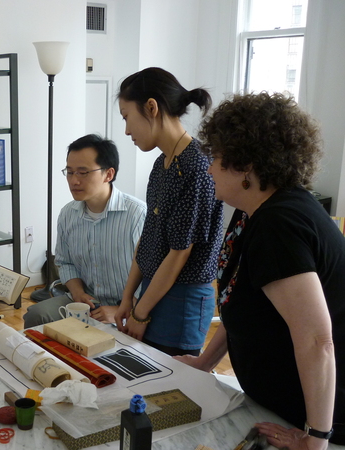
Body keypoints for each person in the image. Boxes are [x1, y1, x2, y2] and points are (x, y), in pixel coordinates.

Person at [176, 92, 345, 448]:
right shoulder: (252, 211)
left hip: (317, 419)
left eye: (216, 158)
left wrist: (315, 439)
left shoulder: (278, 225)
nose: (209, 169)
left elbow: (317, 340)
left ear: (245, 165)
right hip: (280, 407)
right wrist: (205, 362)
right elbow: (239, 299)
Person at [115, 67, 224, 356]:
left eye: (126, 117)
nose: (126, 130)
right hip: (153, 290)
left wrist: (141, 311)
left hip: (182, 300)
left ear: (151, 107)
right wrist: (128, 297)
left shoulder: (196, 166)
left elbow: (180, 253)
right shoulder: (162, 164)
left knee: (170, 381)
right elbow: (149, 236)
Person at [23, 134, 147, 327]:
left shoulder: (137, 215)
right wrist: (78, 293)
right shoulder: (68, 214)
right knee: (36, 316)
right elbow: (65, 262)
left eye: (83, 173)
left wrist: (124, 310)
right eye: (69, 172)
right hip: (86, 302)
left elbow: (150, 274)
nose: (74, 181)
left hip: (129, 307)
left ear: (108, 174)